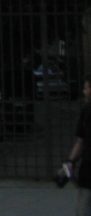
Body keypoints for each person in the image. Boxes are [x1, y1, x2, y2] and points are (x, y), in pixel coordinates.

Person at [60, 75, 91, 215]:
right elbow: (80, 142)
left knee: (82, 209)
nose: (84, 92)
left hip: (88, 168)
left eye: (85, 88)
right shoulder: (86, 111)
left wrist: (69, 164)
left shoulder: (86, 111)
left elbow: (80, 142)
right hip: (88, 168)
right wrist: (69, 164)